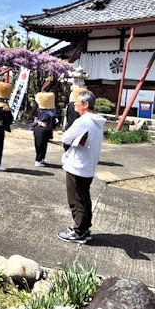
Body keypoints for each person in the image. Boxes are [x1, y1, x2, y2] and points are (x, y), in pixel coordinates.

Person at [57, 89, 106, 244]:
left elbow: (65, 138)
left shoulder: (83, 121)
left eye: (77, 102)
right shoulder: (97, 121)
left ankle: (79, 232)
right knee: (84, 198)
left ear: (85, 104)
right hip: (88, 165)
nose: (74, 104)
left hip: (77, 165)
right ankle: (84, 228)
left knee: (76, 200)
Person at [32, 92, 56, 167]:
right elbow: (53, 122)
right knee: (40, 145)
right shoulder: (50, 112)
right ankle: (38, 160)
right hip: (43, 128)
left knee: (42, 144)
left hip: (39, 128)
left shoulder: (39, 109)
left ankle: (41, 158)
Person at [63, 87, 84, 152]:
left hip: (69, 126)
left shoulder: (70, 104)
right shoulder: (80, 105)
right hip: (77, 128)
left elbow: (67, 115)